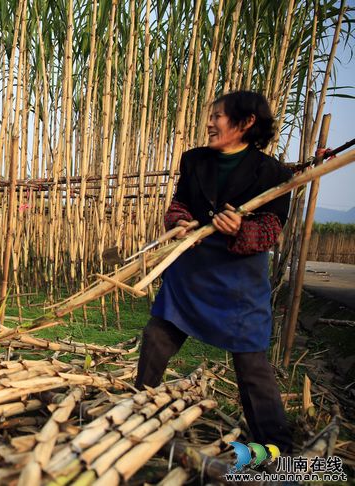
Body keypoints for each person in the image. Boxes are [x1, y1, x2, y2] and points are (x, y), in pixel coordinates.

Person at [135, 91, 294, 452]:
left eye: (218, 116)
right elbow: (179, 204)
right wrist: (180, 222)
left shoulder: (273, 173)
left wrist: (240, 229)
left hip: (239, 281)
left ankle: (277, 448)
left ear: (246, 122)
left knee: (252, 365)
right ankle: (139, 408)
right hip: (192, 272)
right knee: (157, 338)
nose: (210, 123)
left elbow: (270, 229)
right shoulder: (194, 161)